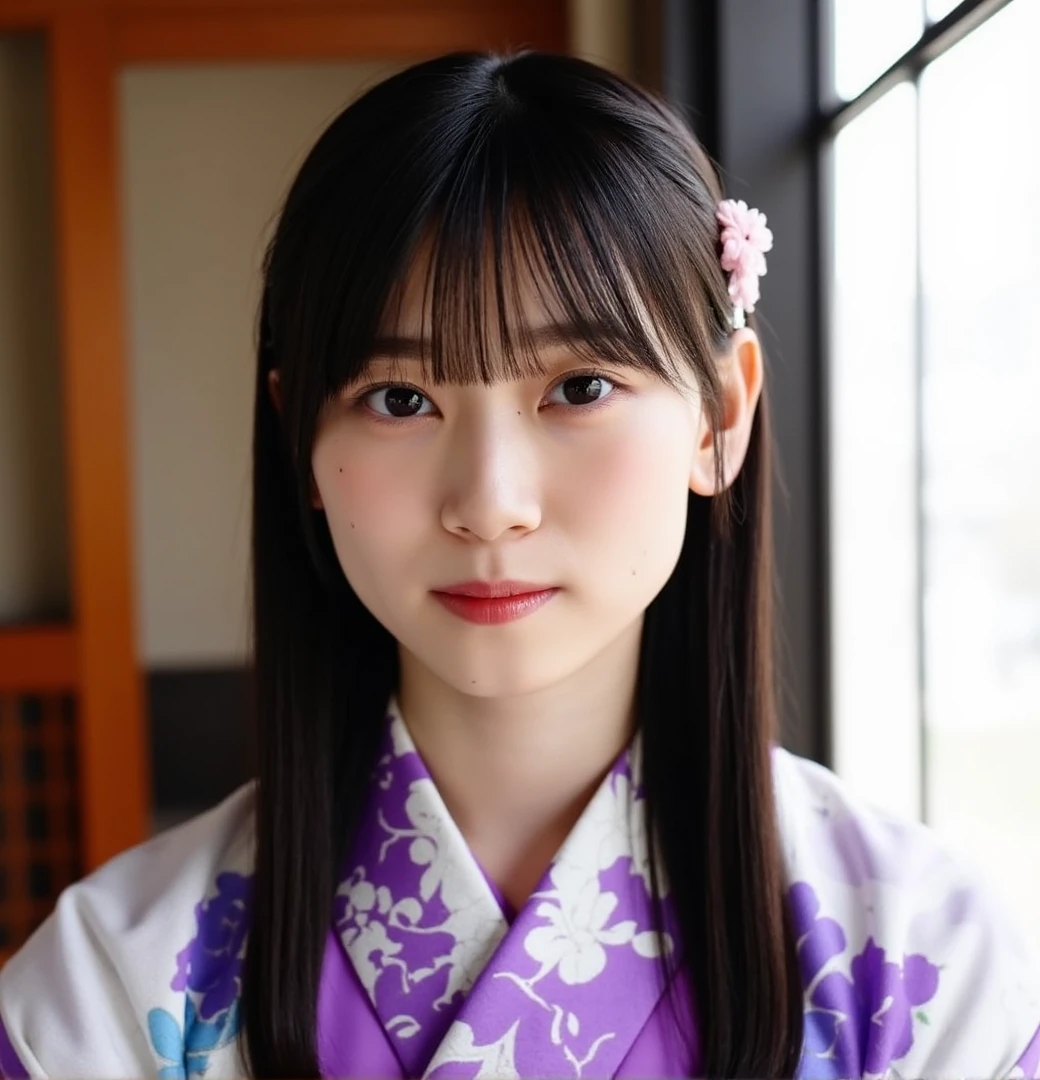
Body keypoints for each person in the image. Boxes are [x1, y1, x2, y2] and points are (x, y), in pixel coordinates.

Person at [0, 50, 1037, 1080]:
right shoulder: (109, 993)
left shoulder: (931, 968)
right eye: (400, 399)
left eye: (578, 387)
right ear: (299, 443)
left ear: (719, 414)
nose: (490, 503)